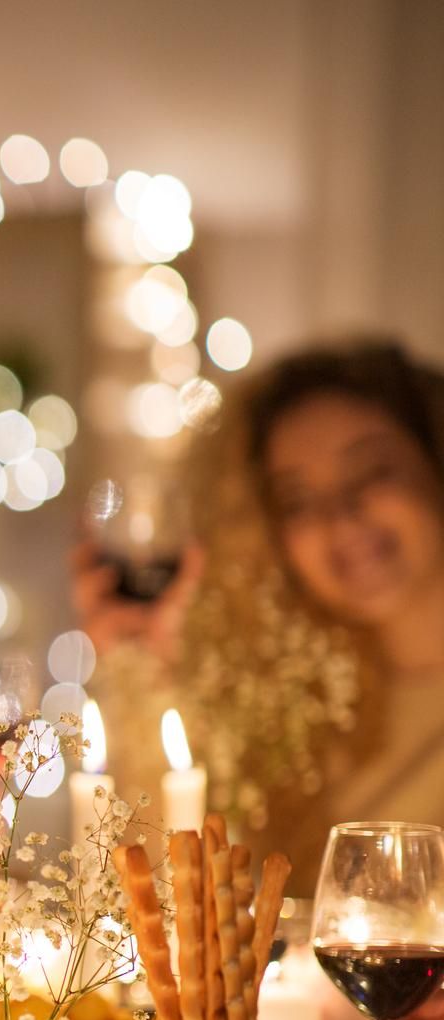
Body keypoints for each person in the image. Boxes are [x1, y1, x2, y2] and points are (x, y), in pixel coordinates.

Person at [73, 341, 444, 875]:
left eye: (372, 471)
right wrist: (144, 670)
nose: (339, 518)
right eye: (297, 501)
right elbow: (152, 887)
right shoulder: (291, 711)